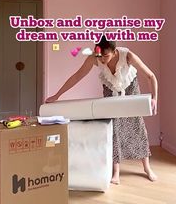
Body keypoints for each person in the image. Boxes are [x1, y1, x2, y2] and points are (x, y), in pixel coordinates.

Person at [45, 36, 158, 184]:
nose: (102, 59)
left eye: (106, 55)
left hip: (130, 87)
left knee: (137, 125)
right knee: (114, 127)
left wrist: (155, 98)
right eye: (100, 55)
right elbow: (77, 76)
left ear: (115, 51)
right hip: (110, 88)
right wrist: (57, 95)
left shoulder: (128, 55)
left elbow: (151, 76)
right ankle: (116, 171)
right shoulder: (95, 57)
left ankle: (147, 167)